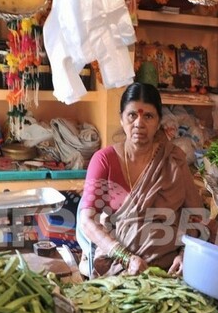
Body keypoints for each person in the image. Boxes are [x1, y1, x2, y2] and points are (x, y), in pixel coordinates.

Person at [77, 82, 208, 277]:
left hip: (169, 271)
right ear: (121, 119)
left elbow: (196, 217)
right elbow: (87, 221)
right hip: (118, 265)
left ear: (158, 122)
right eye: (132, 115)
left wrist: (184, 254)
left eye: (148, 116)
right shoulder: (104, 160)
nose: (139, 123)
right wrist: (125, 257)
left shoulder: (173, 159)